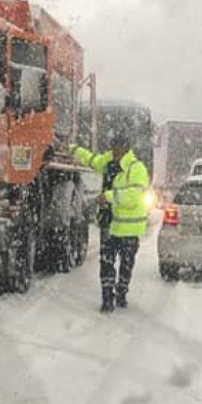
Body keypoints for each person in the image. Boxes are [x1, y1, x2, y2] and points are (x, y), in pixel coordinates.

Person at [70, 132, 151, 313]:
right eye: (112, 148)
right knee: (106, 262)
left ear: (125, 148)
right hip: (108, 222)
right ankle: (107, 297)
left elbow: (134, 196)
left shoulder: (136, 168)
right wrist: (74, 150)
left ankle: (121, 292)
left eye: (117, 148)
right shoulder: (108, 162)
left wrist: (107, 197)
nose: (114, 152)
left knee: (126, 263)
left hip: (128, 227)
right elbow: (92, 160)